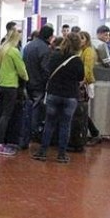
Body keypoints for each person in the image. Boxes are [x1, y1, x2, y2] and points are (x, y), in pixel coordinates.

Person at [31, 33, 85, 163]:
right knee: (65, 125)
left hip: (54, 93)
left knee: (49, 123)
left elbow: (48, 70)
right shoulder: (77, 60)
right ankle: (61, 154)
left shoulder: (55, 56)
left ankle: (43, 152)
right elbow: (80, 77)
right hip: (70, 95)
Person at [0, 29, 29, 155]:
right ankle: (0, 144)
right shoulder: (13, 51)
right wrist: (26, 78)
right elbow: (22, 70)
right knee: (6, 115)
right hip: (10, 86)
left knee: (1, 113)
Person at [22, 25, 53, 147]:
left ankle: (25, 134)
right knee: (36, 110)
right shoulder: (45, 49)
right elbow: (45, 68)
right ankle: (33, 133)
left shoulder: (28, 46)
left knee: (28, 109)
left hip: (27, 81)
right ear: (49, 36)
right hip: (38, 84)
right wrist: (46, 81)